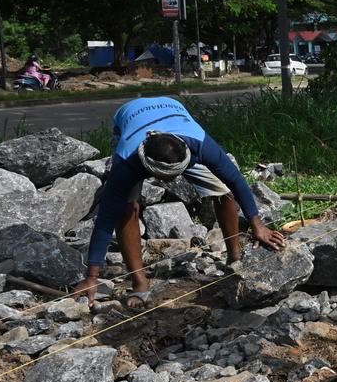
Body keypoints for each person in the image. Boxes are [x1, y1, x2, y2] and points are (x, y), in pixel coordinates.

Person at [71, 97, 286, 307]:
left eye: (175, 175)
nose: (171, 183)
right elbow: (107, 217)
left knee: (222, 191)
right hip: (130, 115)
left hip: (173, 110)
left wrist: (257, 224)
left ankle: (234, 259)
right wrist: (92, 276)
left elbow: (235, 180)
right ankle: (139, 283)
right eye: (165, 177)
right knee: (126, 209)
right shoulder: (126, 161)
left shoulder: (199, 144)